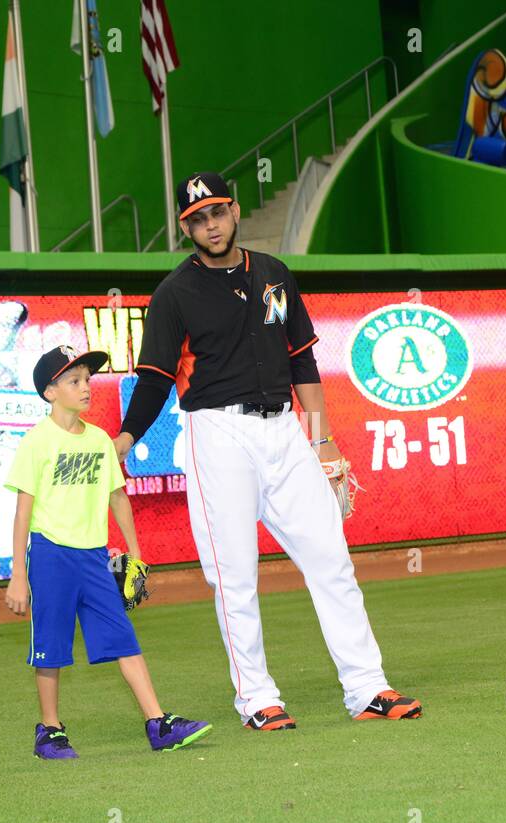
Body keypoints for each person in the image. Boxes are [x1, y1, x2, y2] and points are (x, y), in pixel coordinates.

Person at [114, 171, 422, 731]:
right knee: (235, 576)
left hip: (284, 430)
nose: (209, 225)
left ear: (234, 211)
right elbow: (155, 377)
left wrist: (323, 438)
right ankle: (257, 698)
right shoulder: (174, 295)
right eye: (197, 219)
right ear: (187, 228)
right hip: (218, 434)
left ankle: (367, 688)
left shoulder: (274, 274)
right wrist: (126, 438)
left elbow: (301, 358)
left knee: (332, 559)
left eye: (216, 212)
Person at [4, 344, 211, 759]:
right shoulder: (37, 442)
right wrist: (18, 574)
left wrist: (134, 553)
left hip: (95, 558)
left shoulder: (100, 440)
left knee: (123, 638)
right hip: (50, 555)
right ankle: (50, 730)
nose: (85, 388)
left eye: (87, 380)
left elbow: (118, 498)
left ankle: (157, 723)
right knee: (51, 645)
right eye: (74, 381)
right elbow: (22, 512)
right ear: (50, 392)